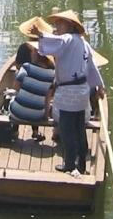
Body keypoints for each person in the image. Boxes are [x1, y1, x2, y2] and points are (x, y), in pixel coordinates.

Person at [30, 10, 105, 176]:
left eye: (60, 23)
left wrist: (39, 34)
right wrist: (99, 85)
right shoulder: (83, 43)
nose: (57, 26)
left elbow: (53, 42)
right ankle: (81, 164)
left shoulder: (68, 39)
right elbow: (91, 67)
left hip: (69, 93)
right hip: (82, 91)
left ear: (70, 25)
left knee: (67, 129)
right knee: (79, 128)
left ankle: (70, 164)